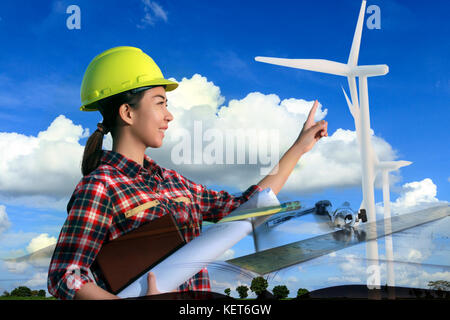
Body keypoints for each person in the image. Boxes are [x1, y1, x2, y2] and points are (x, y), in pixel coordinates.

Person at [47, 46, 328, 300]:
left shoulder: (174, 182)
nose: (169, 116)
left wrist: (298, 148)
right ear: (127, 113)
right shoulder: (100, 186)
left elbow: (245, 208)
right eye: (160, 103)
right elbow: (66, 275)